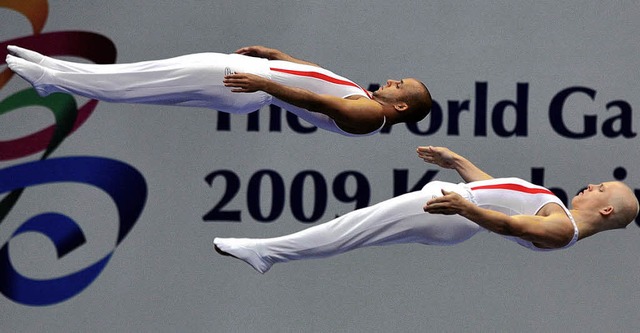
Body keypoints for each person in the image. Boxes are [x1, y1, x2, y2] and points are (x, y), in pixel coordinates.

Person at [213, 145, 639, 273]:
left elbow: (508, 223)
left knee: (353, 226)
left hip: (456, 212)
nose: (589, 185)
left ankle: (266, 251)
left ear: (605, 212)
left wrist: (463, 207)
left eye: (599, 188)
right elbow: (498, 194)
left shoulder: (563, 230)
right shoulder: (557, 213)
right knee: (355, 226)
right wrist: (458, 164)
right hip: (460, 210)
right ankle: (268, 250)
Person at [5, 45, 432, 136]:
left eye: (400, 85)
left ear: (399, 105)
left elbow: (315, 99)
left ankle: (53, 79)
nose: (392, 79)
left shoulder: (370, 116)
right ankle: (54, 70)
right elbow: (319, 76)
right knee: (144, 76)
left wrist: (265, 79)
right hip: (251, 79)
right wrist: (276, 55)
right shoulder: (368, 99)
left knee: (140, 83)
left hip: (244, 82)